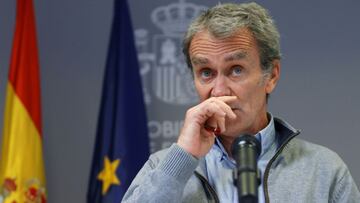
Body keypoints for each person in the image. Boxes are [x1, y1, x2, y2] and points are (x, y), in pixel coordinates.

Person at [122, 2, 360, 202]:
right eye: (206, 72)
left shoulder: (323, 170)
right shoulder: (163, 167)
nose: (219, 90)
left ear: (272, 75)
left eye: (236, 70)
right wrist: (183, 157)